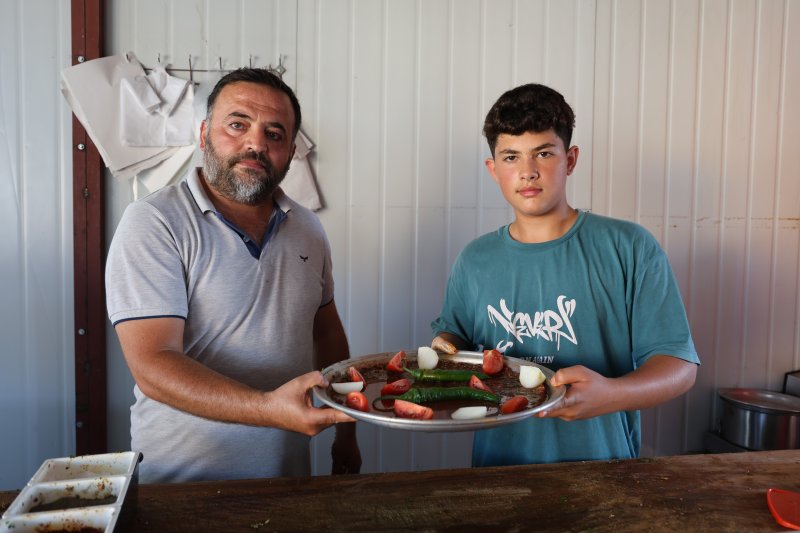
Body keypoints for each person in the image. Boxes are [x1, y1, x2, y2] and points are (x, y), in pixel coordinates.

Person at [106, 68, 360, 483]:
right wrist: (267, 409)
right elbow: (153, 365)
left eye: (274, 134)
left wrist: (346, 434)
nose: (256, 144)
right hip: (182, 487)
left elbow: (326, 334)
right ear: (204, 133)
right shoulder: (155, 222)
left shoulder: (308, 228)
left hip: (289, 481)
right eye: (237, 125)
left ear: (291, 151)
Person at [430, 83, 699, 466]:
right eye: (511, 157)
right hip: (497, 472)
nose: (527, 172)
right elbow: (452, 343)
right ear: (493, 169)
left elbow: (679, 367)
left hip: (604, 472)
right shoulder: (474, 260)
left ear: (570, 160)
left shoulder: (629, 247)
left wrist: (611, 393)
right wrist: (442, 348)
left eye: (543, 153)